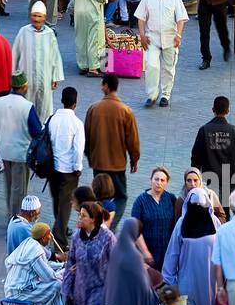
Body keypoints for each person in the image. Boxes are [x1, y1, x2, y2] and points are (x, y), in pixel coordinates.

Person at [160, 187, 220, 305]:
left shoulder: (215, 223)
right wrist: (169, 279)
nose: (197, 207)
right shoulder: (181, 224)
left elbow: (222, 251)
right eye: (194, 204)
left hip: (208, 282)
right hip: (185, 279)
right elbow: (173, 253)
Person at [60, 201, 115, 305]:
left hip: (101, 286)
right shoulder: (77, 236)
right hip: (81, 287)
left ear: (94, 219)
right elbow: (71, 261)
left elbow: (117, 263)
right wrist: (66, 286)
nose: (79, 218)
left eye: (83, 216)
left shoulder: (107, 238)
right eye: (79, 214)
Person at [84, 73, 141, 224]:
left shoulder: (93, 109)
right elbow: (133, 141)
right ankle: (111, 224)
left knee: (100, 196)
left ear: (106, 86)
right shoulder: (126, 111)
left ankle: (98, 223)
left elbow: (87, 137)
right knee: (121, 196)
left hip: (98, 163)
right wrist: (134, 160)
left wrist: (90, 157)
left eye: (102, 84)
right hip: (117, 164)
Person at [0, 75, 43, 217]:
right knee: (18, 189)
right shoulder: (27, 106)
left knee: (9, 186)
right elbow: (37, 131)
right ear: (24, 87)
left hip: (4, 150)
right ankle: (15, 219)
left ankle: (10, 214)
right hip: (21, 153)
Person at [135, 0, 188, 107]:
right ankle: (152, 95)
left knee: (168, 68)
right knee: (151, 65)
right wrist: (142, 36)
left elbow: (181, 19)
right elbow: (141, 18)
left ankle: (165, 95)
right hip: (152, 38)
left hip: (170, 38)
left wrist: (179, 35)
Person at [4, 222, 67, 305]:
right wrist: (65, 271)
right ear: (43, 238)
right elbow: (49, 276)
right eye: (49, 236)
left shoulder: (30, 242)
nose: (50, 239)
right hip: (20, 292)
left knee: (55, 282)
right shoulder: (36, 252)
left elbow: (45, 264)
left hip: (16, 287)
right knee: (56, 284)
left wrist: (61, 266)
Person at [47, 85, 85, 248]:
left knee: (57, 201)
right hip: (68, 171)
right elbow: (78, 149)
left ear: (62, 101)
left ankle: (60, 229)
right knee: (65, 207)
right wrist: (78, 167)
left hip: (52, 168)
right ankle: (60, 242)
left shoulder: (52, 119)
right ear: (75, 103)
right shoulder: (76, 123)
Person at [11, 0, 63, 120]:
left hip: (45, 78)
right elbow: (15, 54)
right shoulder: (23, 32)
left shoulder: (50, 34)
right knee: (26, 107)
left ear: (44, 17)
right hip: (27, 78)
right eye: (34, 15)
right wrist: (14, 76)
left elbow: (55, 56)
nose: (36, 19)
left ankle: (43, 132)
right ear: (30, 16)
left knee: (44, 107)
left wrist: (56, 77)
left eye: (39, 16)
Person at [191, 95, 235, 199]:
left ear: (213, 110)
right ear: (228, 111)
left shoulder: (204, 130)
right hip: (228, 178)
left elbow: (196, 155)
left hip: (208, 177)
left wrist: (195, 174)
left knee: (210, 207)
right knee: (225, 209)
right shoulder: (234, 131)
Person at [130, 166, 178, 271]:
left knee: (165, 282)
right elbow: (134, 229)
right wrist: (145, 251)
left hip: (167, 251)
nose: (159, 183)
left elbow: (176, 224)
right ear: (151, 180)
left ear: (166, 182)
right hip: (147, 250)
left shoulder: (171, 198)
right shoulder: (140, 201)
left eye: (162, 180)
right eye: (156, 179)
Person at [71, 0, 109, 76]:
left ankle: (83, 65)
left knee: (81, 38)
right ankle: (94, 67)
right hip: (92, 13)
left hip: (78, 12)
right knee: (94, 39)